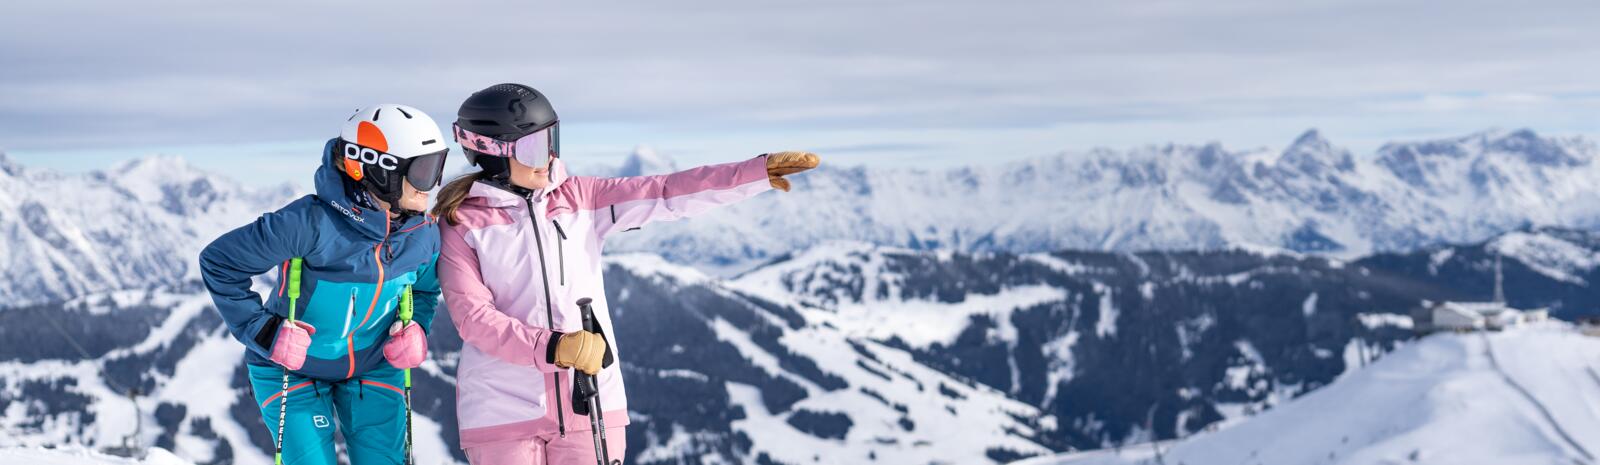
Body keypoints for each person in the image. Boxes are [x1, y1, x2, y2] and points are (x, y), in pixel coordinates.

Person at [433, 83, 820, 464]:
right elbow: (474, 319)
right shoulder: (461, 222)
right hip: (503, 414)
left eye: (551, 140)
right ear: (494, 153)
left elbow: (667, 192)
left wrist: (753, 174)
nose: (548, 157)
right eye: (533, 147)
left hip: (590, 404)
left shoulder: (581, 200)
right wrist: (551, 347)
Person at [198, 104, 447, 465]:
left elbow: (425, 289)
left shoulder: (422, 235)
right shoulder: (309, 223)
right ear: (379, 171)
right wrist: (267, 333)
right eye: (423, 171)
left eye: (436, 166)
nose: (432, 185)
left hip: (374, 365)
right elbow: (220, 263)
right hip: (291, 370)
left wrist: (417, 329)